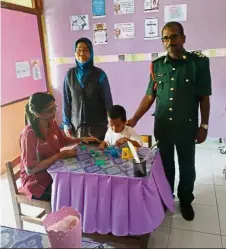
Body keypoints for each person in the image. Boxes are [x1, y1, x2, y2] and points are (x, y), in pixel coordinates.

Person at [127, 22, 212, 221]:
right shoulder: (157, 65)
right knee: (165, 165)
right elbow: (150, 96)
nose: (170, 41)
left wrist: (204, 125)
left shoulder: (197, 63)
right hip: (163, 126)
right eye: (165, 38)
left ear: (183, 38)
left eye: (174, 36)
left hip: (187, 127)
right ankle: (167, 197)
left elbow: (204, 97)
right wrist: (134, 118)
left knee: (187, 166)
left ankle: (185, 199)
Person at [20, 92, 95, 201]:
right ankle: (64, 216)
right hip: (38, 183)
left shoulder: (51, 123)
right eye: (50, 110)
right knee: (72, 196)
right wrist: (59, 156)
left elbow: (64, 141)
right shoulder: (29, 133)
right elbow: (30, 169)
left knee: (82, 187)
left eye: (54, 108)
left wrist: (81, 139)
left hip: (54, 173)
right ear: (37, 113)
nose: (54, 112)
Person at [62, 37, 113, 141]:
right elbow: (66, 101)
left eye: (85, 50)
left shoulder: (100, 74)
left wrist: (111, 122)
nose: (81, 53)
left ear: (91, 52)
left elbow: (108, 101)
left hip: (98, 128)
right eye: (79, 50)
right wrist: (67, 123)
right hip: (77, 128)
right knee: (80, 155)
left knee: (99, 155)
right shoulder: (69, 75)